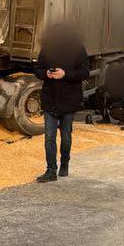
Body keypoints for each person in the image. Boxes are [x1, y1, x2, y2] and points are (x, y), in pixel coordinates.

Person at [33, 22, 90, 182]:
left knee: (66, 137)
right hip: (50, 99)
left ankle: (64, 163)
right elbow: (37, 69)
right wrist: (46, 73)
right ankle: (51, 170)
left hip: (69, 100)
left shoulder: (78, 49)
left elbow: (85, 72)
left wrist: (65, 73)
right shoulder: (47, 49)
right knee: (49, 137)